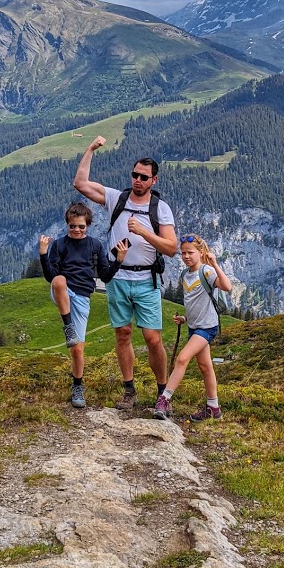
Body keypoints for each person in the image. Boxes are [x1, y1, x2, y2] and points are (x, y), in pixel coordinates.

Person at [74, 136, 177, 410]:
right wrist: (90, 149)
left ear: (154, 180)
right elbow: (80, 184)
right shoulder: (116, 198)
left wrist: (144, 231)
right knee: (122, 333)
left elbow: (171, 248)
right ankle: (129, 390)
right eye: (134, 175)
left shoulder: (159, 209)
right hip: (117, 277)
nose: (137, 180)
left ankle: (162, 393)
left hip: (146, 279)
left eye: (144, 177)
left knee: (153, 338)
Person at [39, 201, 128, 408]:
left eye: (81, 226)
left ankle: (77, 386)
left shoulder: (95, 245)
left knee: (77, 350)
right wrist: (43, 253)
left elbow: (105, 276)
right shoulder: (59, 245)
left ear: (87, 225)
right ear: (67, 224)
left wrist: (118, 260)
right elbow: (50, 276)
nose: (77, 230)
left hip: (82, 297)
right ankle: (68, 327)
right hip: (62, 291)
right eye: (72, 226)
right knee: (59, 280)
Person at [153, 233, 232, 422]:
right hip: (194, 326)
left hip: (207, 327)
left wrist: (215, 264)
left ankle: (164, 400)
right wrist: (185, 318)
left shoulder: (207, 272)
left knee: (182, 358)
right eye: (183, 253)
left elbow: (227, 286)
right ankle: (213, 408)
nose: (186, 256)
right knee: (205, 366)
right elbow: (194, 304)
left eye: (190, 252)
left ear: (201, 252)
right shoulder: (185, 275)